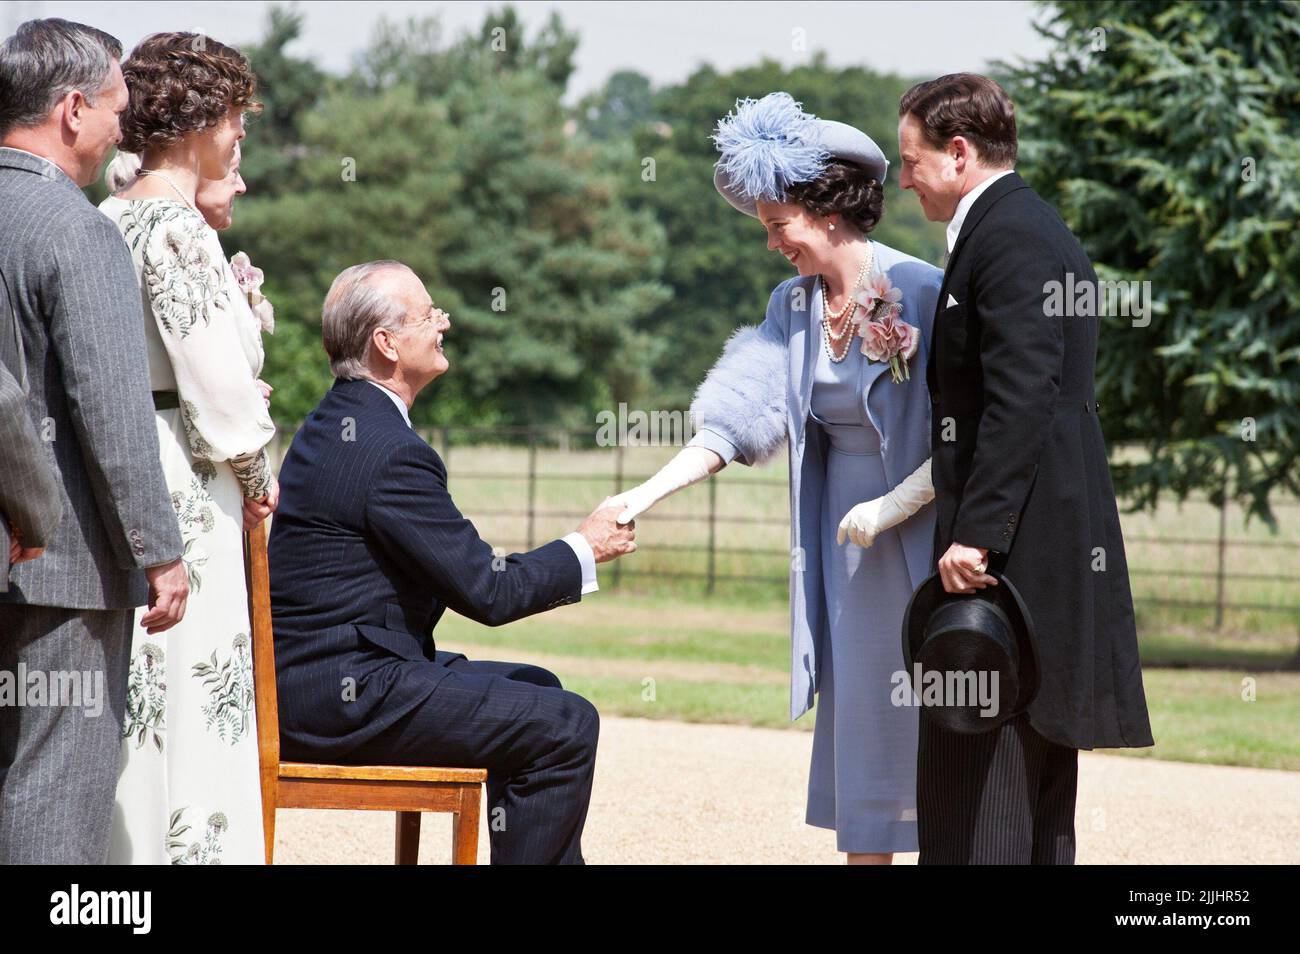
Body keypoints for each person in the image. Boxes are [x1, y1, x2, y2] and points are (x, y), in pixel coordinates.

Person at [608, 93, 941, 863]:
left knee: (937, 708)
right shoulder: (789, 307)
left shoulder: (922, 288)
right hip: (847, 548)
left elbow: (973, 430)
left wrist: (907, 505)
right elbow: (735, 419)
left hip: (927, 531)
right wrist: (645, 494)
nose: (770, 244)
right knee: (861, 712)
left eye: (775, 225)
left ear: (825, 211)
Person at [269, 260, 635, 865]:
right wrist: (584, 547)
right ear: (386, 344)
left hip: (322, 679)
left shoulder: (337, 421)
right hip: (340, 697)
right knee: (564, 725)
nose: (444, 321)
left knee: (538, 689)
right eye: (427, 313)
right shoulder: (390, 452)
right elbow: (489, 595)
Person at [897, 72, 1153, 864]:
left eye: (911, 161)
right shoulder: (1029, 227)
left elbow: (1022, 398)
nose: (903, 179)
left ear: (960, 152)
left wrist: (975, 534)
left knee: (985, 788)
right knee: (1023, 791)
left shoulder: (1007, 238)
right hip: (1040, 540)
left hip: (1014, 556)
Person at [0, 18, 187, 864]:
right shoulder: (75, 230)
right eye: (117, 105)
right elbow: (112, 412)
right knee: (52, 789)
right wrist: (158, 548)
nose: (124, 126)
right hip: (61, 570)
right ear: (72, 109)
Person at [98, 31, 274, 865]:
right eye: (237, 119)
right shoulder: (175, 226)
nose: (241, 137)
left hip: (120, 461)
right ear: (204, 119)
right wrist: (257, 468)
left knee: (142, 690)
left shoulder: (107, 215)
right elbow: (219, 385)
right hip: (185, 478)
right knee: (202, 684)